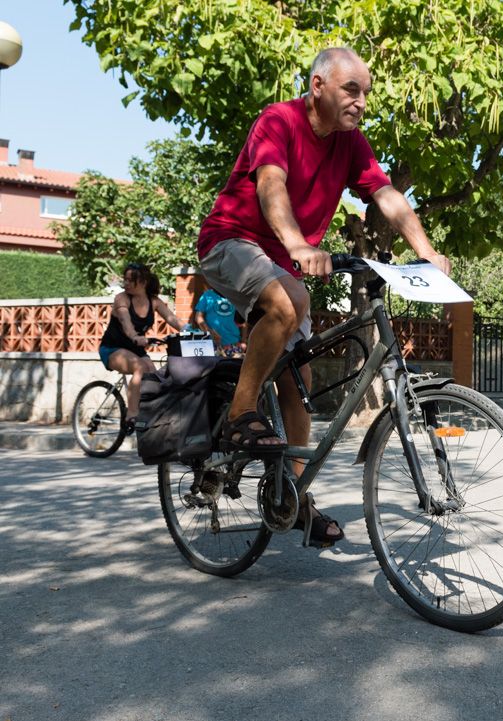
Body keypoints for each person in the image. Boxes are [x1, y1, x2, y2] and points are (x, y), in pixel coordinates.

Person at [197, 47, 450, 547]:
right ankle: (239, 412)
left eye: (365, 94)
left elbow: (386, 195)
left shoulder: (351, 143)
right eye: (350, 90)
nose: (360, 102)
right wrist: (295, 243)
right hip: (231, 242)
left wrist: (426, 249)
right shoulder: (279, 121)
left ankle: (291, 496)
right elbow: (271, 183)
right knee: (290, 301)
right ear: (318, 86)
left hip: (283, 264)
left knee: (299, 384)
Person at [98, 263, 185, 432]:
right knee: (139, 367)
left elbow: (172, 319)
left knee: (152, 374)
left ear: (144, 282)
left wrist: (192, 331)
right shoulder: (122, 298)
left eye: (132, 280)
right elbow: (125, 320)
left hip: (136, 350)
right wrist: (135, 337)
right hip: (112, 348)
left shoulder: (153, 301)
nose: (127, 283)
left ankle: (150, 411)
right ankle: (131, 415)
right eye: (126, 279)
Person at [193, 287, 245, 357]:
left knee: (234, 367)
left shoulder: (235, 296)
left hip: (234, 344)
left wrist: (244, 340)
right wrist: (210, 332)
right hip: (211, 345)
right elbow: (198, 317)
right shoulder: (207, 295)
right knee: (214, 367)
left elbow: (244, 321)